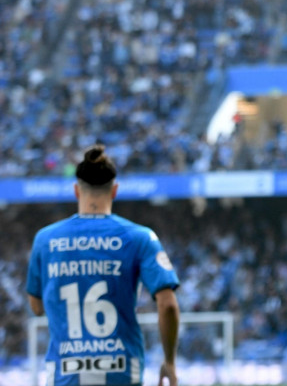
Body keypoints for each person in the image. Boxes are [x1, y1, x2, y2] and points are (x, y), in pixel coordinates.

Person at [26, 145, 181, 386]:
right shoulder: (140, 237)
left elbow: (36, 307)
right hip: (121, 372)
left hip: (66, 373)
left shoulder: (45, 240)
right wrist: (169, 360)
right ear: (115, 191)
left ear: (77, 191)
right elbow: (168, 304)